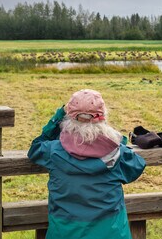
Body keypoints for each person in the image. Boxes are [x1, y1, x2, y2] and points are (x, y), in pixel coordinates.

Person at [28, 89, 146, 239]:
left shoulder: (52, 151)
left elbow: (35, 147)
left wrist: (58, 117)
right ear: (103, 118)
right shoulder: (119, 154)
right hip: (111, 232)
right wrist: (112, 139)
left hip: (65, 233)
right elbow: (137, 166)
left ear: (68, 118)